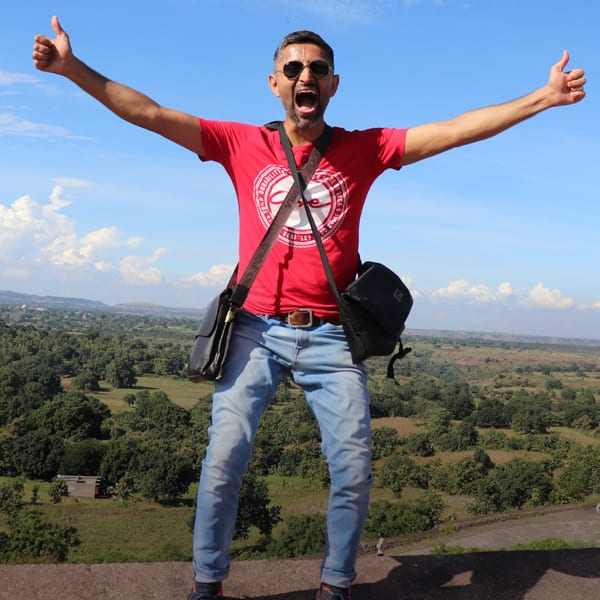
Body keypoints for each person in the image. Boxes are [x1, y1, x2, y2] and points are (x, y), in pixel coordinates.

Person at [32, 16, 586, 600]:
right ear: (275, 83)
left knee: (352, 470)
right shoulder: (242, 143)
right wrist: (73, 69)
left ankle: (336, 586)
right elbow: (148, 112)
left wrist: (543, 98)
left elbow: (453, 130)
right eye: (293, 68)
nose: (305, 76)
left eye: (317, 69)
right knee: (223, 461)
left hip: (331, 335)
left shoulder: (364, 149)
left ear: (333, 84)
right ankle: (208, 585)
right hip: (254, 328)